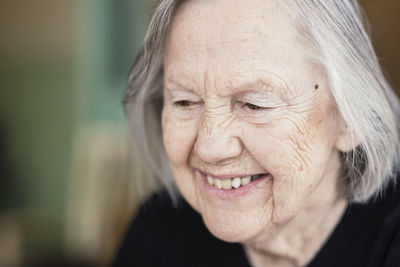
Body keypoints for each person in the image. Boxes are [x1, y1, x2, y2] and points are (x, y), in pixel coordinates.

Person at [113, 0, 400, 266]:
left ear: (350, 118)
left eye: (254, 105)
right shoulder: (158, 235)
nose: (211, 147)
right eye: (185, 102)